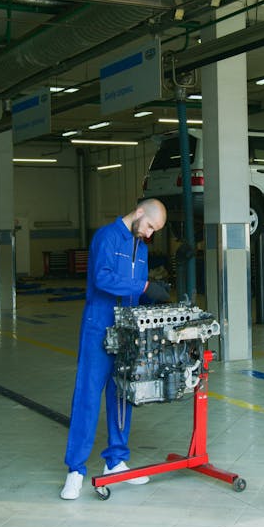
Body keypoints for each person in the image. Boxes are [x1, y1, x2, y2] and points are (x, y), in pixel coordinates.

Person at [60, 198, 169, 500]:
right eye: (149, 226)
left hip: (126, 332)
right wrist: (145, 287)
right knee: (87, 398)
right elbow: (103, 278)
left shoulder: (142, 247)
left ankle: (116, 461)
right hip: (99, 328)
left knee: (122, 397)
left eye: (154, 231)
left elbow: (135, 290)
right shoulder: (106, 237)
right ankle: (75, 470)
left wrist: (156, 297)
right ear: (138, 214)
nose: (149, 234)